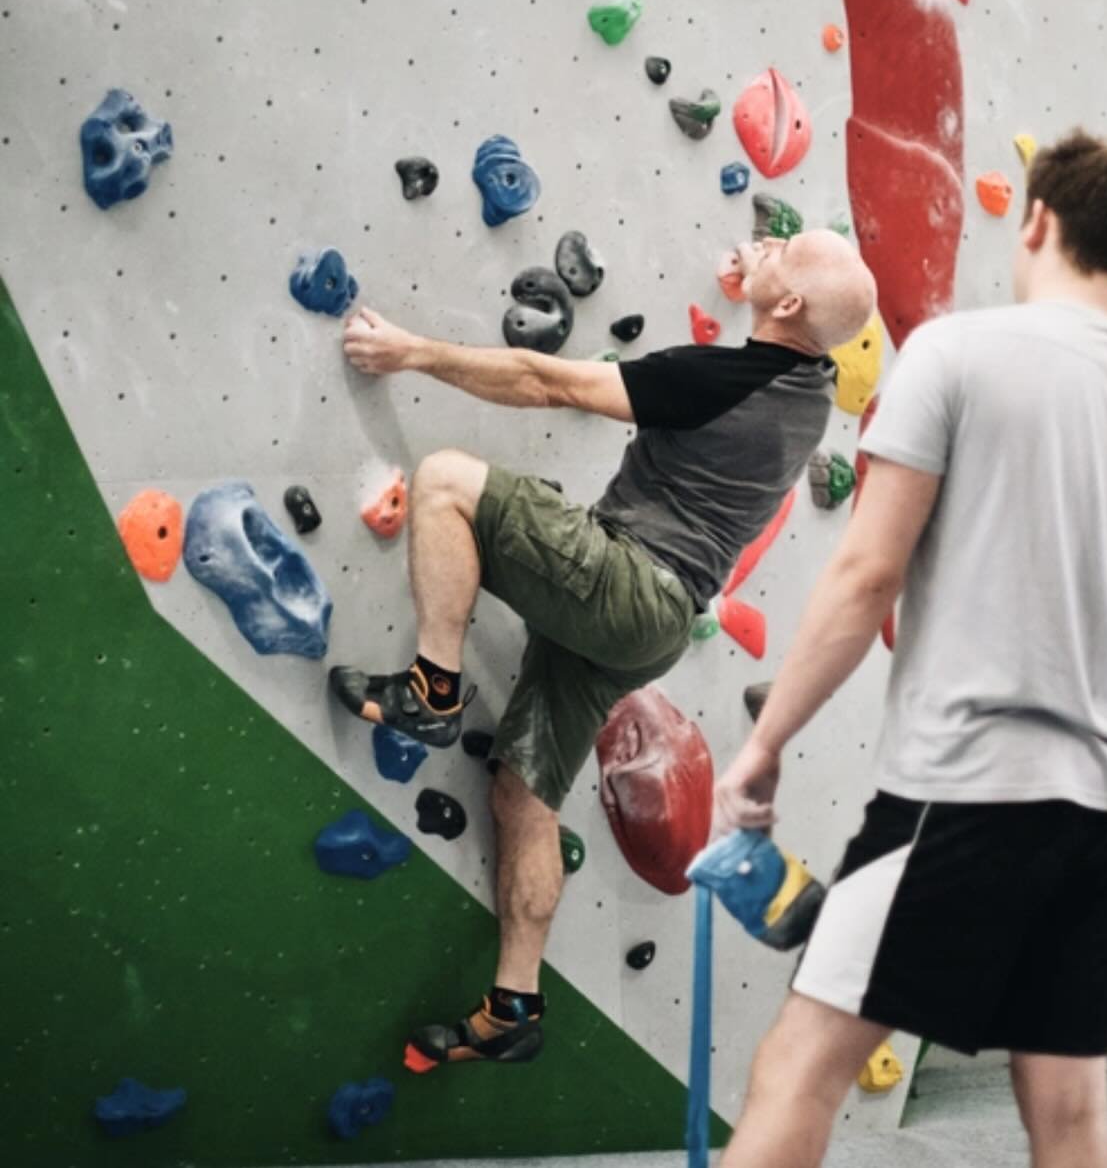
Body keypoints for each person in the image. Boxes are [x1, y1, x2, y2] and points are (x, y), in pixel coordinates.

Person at [712, 131, 1107, 1168]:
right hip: (1105, 810)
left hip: (969, 791)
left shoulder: (954, 355)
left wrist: (766, 741)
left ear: (1035, 220)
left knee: (799, 1064)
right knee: (1070, 1115)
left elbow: (864, 576)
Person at [330, 227, 876, 1070]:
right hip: (649, 630)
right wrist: (765, 280)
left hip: (627, 583)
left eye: (784, 246)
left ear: (792, 304)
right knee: (523, 793)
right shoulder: (812, 384)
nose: (766, 240)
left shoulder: (716, 380)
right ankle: (514, 1005)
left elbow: (542, 379)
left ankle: (434, 689)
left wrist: (412, 352)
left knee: (444, 480)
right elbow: (793, 324)